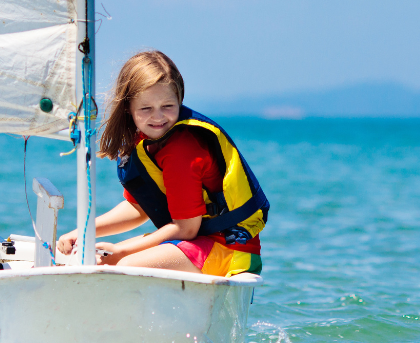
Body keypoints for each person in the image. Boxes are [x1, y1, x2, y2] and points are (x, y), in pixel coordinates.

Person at [56, 50, 269, 277]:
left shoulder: (181, 149)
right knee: (106, 261)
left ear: (180, 99)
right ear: (128, 107)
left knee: (123, 267)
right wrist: (83, 232)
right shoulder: (146, 143)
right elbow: (137, 209)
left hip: (229, 248)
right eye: (146, 108)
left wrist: (119, 251)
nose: (158, 117)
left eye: (168, 106)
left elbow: (186, 228)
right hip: (198, 240)